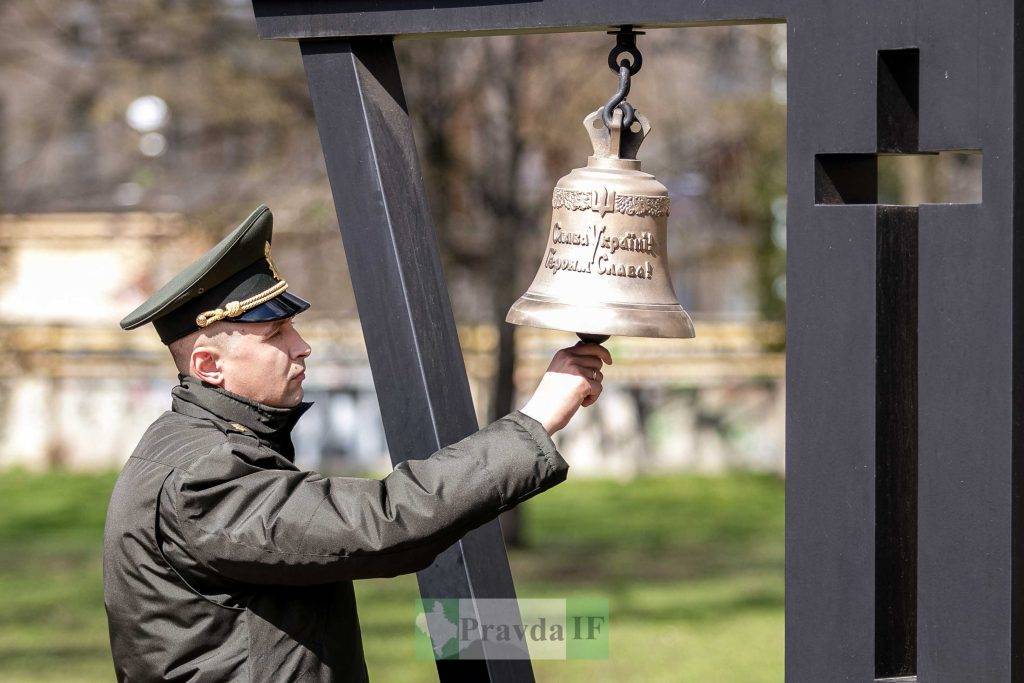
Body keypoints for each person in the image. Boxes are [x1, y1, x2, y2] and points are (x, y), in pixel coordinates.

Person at [103, 205, 611, 681]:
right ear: (209, 366)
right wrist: (537, 420)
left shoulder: (201, 447)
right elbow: (387, 524)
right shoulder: (203, 476)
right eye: (275, 334)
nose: (301, 346)